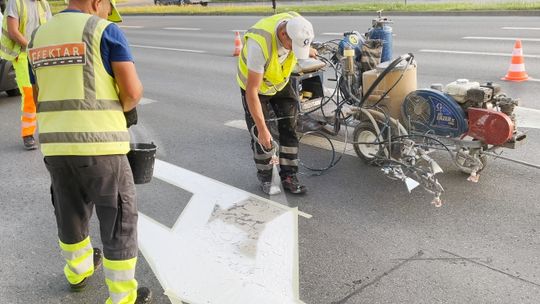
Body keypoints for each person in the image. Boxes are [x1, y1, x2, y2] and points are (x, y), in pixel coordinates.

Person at [27, 0, 151, 303]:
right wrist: (116, 111)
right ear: (97, 2)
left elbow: (39, 92)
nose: (109, 13)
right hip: (100, 145)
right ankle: (122, 297)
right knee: (118, 218)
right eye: (109, 7)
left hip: (56, 145)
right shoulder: (103, 31)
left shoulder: (39, 36)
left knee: (69, 211)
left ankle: (78, 271)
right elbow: (132, 92)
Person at [236, 12, 316, 195]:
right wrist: (263, 128)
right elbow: (252, 91)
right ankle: (266, 177)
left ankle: (289, 175)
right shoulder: (260, 45)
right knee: (261, 135)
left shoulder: (297, 23)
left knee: (290, 125)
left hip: (279, 81)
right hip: (256, 88)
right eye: (292, 46)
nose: (293, 50)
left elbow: (300, 41)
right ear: (282, 35)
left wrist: (306, 49)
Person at [0, 0, 51, 150]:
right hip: (22, 54)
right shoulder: (15, 3)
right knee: (29, 93)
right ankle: (27, 134)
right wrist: (30, 48)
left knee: (45, 93)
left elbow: (48, 28)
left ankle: (48, 130)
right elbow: (12, 30)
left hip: (41, 53)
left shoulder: (43, 3)